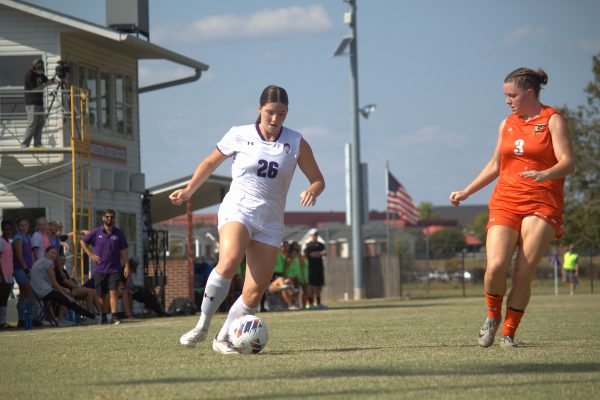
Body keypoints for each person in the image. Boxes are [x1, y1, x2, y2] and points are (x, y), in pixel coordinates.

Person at [170, 85, 325, 353]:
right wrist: (188, 190)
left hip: (271, 222)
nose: (275, 120)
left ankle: (223, 339)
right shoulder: (239, 134)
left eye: (281, 114)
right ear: (259, 109)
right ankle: (202, 325)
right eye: (270, 113)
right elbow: (209, 163)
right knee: (229, 260)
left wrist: (313, 189)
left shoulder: (296, 142)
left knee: (253, 294)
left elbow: (318, 179)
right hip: (238, 210)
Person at [449, 67, 575, 348]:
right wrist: (467, 191)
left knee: (522, 272)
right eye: (506, 96)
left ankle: (509, 332)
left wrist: (545, 174)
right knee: (494, 267)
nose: (507, 101)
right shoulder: (506, 124)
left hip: (542, 201)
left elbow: (568, 162)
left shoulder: (553, 120)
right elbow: (496, 165)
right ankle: (493, 317)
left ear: (529, 93)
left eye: (512, 95)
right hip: (506, 201)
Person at [80, 209, 130, 325]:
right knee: (102, 294)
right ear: (103, 218)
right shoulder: (96, 232)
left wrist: (126, 265)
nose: (109, 219)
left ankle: (114, 316)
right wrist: (91, 254)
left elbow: (123, 251)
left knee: (113, 291)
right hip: (100, 269)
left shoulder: (118, 233)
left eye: (111, 217)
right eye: (107, 217)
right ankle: (103, 315)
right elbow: (83, 242)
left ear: (114, 218)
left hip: (114, 268)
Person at [30, 246, 97, 323]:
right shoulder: (49, 263)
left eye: (55, 254)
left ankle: (60, 318)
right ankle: (93, 317)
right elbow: (54, 284)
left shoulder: (39, 262)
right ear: (46, 253)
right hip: (44, 292)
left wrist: (63, 290)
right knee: (70, 302)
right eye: (52, 253)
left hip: (38, 291)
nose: (54, 255)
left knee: (67, 297)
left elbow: (52, 284)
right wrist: (66, 296)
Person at [23, 58, 56, 149]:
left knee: (40, 123)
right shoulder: (29, 74)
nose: (41, 73)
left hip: (40, 102)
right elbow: (35, 89)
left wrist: (56, 81)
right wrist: (46, 85)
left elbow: (47, 81)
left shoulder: (40, 74)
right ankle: (25, 143)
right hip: (31, 103)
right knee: (32, 123)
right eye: (39, 70)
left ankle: (37, 143)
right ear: (35, 68)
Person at [12, 217, 37, 327]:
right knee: (30, 294)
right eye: (21, 225)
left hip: (28, 268)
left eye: (25, 225)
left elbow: (30, 254)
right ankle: (30, 318)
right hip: (21, 269)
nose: (24, 227)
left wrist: (33, 267)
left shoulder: (27, 236)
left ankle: (21, 320)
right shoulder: (18, 237)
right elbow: (19, 255)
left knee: (22, 295)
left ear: (28, 226)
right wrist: (26, 269)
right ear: (18, 227)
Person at [304, 228, 327, 309]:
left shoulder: (321, 245)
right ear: (311, 236)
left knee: (319, 287)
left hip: (319, 268)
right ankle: (310, 304)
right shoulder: (308, 245)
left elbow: (325, 253)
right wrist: (319, 253)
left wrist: (317, 253)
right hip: (311, 269)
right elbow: (310, 255)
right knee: (311, 287)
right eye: (314, 234)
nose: (316, 236)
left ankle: (318, 303)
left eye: (316, 234)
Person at [0, 221, 15, 329]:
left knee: (4, 298)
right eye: (6, 229)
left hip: (9, 274)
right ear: (2, 229)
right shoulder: (0, 241)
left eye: (10, 229)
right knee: (1, 298)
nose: (8, 231)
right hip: (2, 275)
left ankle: (3, 321)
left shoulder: (8, 242)